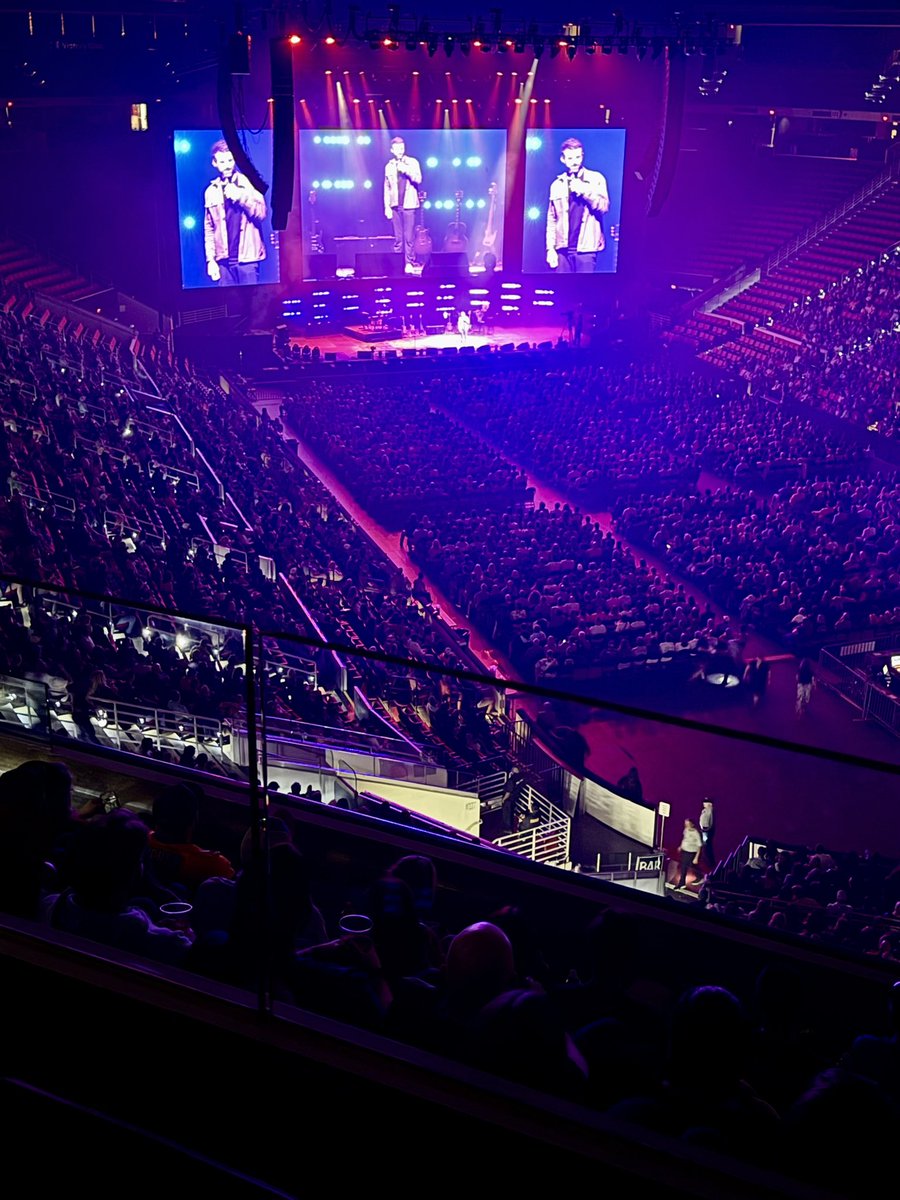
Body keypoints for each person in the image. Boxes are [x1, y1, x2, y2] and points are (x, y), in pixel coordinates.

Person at [203, 138, 267, 286]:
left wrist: (240, 196)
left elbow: (262, 213)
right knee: (229, 305)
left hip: (248, 260)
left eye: (230, 161)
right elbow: (209, 229)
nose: (227, 166)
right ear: (215, 163)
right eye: (223, 162)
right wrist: (210, 260)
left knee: (253, 304)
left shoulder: (250, 183)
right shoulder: (210, 192)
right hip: (223, 261)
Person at [546, 137, 610, 273]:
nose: (574, 162)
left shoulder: (596, 179)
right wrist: (550, 249)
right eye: (570, 158)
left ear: (582, 156)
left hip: (586, 249)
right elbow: (551, 219)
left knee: (584, 290)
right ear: (563, 159)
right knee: (561, 291)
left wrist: (584, 190)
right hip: (562, 249)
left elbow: (604, 206)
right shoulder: (557, 185)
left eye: (577, 157)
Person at [383, 136, 423, 274]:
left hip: (409, 204)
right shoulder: (389, 166)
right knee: (398, 238)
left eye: (402, 148)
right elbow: (386, 187)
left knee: (409, 237)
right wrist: (387, 207)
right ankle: (397, 262)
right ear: (392, 150)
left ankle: (409, 262)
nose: (400, 150)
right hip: (395, 205)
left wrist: (405, 169)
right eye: (397, 148)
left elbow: (418, 178)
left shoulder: (412, 162)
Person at [672, 818, 703, 890]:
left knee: (692, 865)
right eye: (685, 824)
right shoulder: (686, 830)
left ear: (692, 824)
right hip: (685, 851)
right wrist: (681, 846)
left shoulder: (696, 833)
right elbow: (684, 838)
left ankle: (699, 876)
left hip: (691, 852)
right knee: (684, 867)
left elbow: (699, 846)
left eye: (687, 824)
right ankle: (681, 883)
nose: (686, 825)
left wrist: (696, 857)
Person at [699, 799, 715, 870]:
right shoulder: (705, 810)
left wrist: (704, 830)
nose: (703, 803)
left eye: (705, 802)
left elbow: (706, 822)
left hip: (705, 832)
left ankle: (709, 866)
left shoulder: (709, 811)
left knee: (705, 848)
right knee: (705, 848)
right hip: (704, 831)